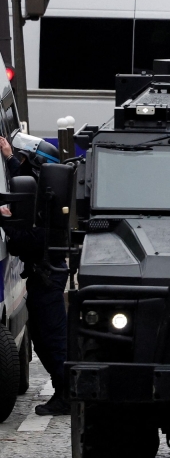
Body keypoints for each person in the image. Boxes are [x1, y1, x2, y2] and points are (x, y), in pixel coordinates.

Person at [0, 135, 70, 415]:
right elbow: (23, 179)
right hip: (46, 274)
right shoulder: (44, 193)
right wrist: (8, 156)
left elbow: (23, 242)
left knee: (52, 338)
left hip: (47, 276)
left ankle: (66, 395)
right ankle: (63, 391)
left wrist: (6, 221)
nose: (21, 162)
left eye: (24, 157)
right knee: (43, 337)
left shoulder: (44, 203)